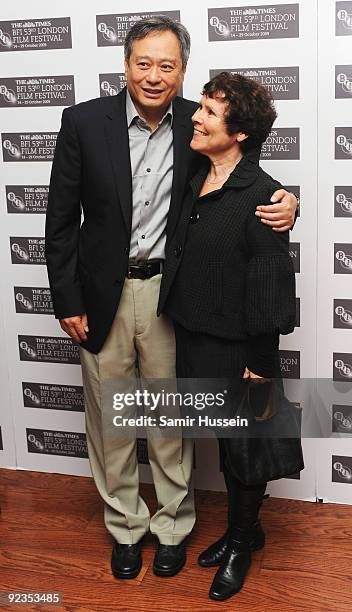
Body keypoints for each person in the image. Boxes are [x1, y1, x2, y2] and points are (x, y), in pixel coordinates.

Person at [45, 17, 298, 581]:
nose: (153, 76)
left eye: (167, 65)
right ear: (125, 64)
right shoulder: (83, 122)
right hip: (100, 295)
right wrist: (67, 299)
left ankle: (173, 528)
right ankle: (125, 529)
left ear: (183, 71)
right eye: (143, 62)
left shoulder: (199, 122)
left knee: (166, 421)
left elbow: (244, 176)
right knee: (111, 421)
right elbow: (60, 222)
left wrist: (289, 202)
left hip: (169, 296)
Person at [158, 71, 297, 600]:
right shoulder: (196, 176)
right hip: (194, 336)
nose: (196, 116)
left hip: (241, 348)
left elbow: (270, 288)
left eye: (211, 112)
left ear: (238, 132)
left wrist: (259, 365)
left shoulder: (261, 195)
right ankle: (249, 528)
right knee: (225, 438)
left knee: (245, 446)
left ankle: (241, 541)